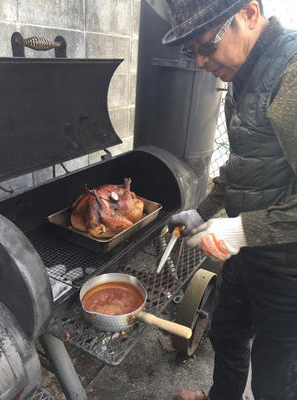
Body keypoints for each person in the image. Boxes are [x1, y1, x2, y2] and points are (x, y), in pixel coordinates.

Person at [163, 1, 297, 399]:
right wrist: (200, 211)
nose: (203, 62)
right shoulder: (241, 75)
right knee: (227, 337)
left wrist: (239, 229)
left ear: (250, 14)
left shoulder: (290, 77)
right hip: (247, 256)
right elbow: (242, 164)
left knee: (276, 379)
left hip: (288, 273)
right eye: (193, 52)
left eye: (207, 45)